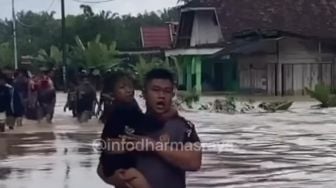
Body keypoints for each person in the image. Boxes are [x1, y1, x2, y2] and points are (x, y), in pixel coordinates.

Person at [97, 68, 202, 188]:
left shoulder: (184, 127)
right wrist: (113, 177)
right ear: (144, 93)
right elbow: (102, 166)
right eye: (155, 90)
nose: (161, 96)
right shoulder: (127, 123)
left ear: (172, 94)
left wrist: (153, 145)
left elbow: (194, 162)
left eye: (167, 91)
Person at [99, 71, 161, 188]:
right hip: (119, 165)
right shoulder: (119, 110)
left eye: (130, 86)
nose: (128, 90)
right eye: (122, 87)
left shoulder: (130, 106)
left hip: (117, 164)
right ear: (112, 93)